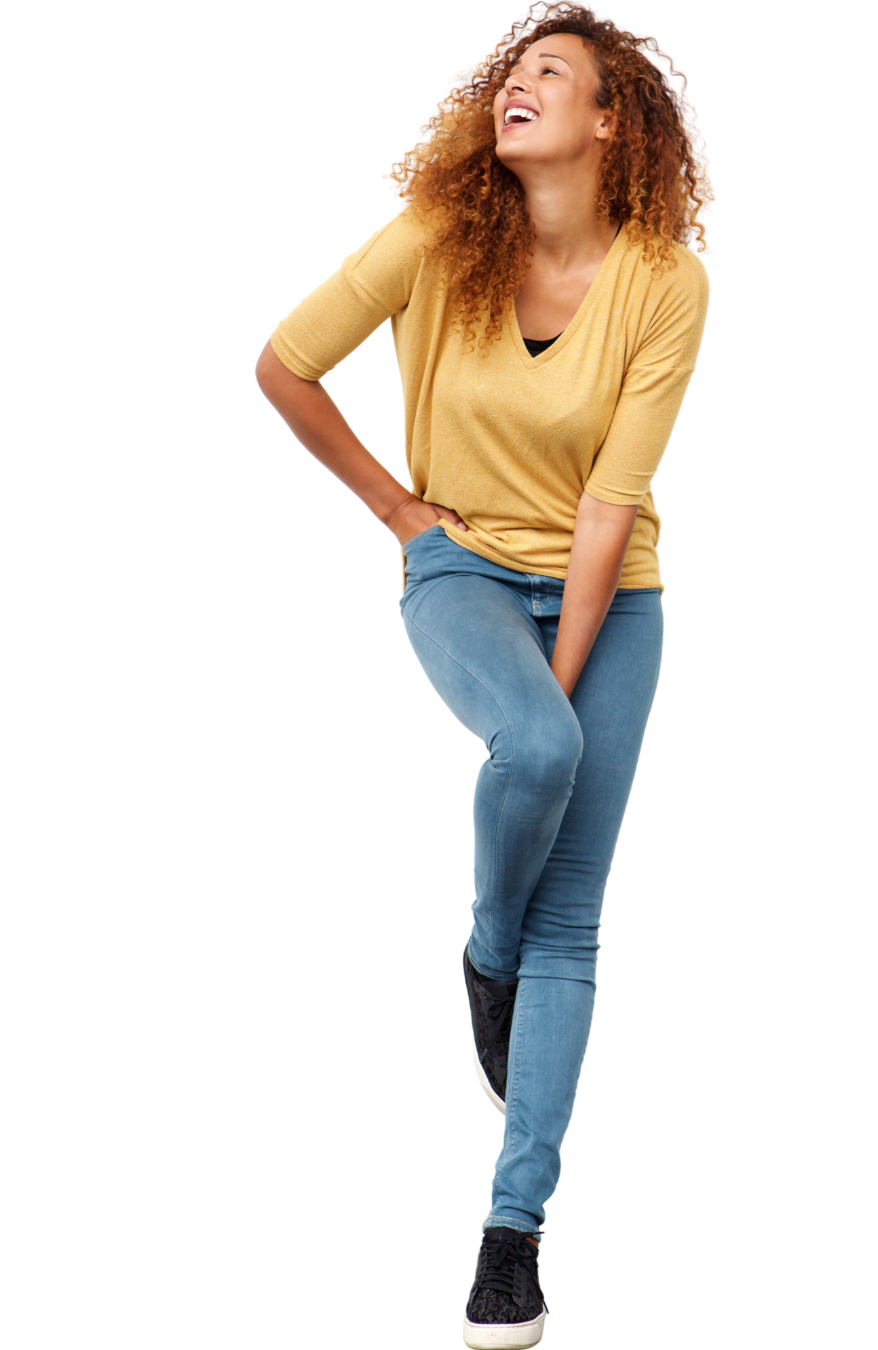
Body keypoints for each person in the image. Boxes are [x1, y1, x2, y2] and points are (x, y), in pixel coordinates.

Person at [253, 4, 721, 1346]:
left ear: (610, 120)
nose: (516, 91)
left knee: (579, 908)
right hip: (460, 568)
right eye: (509, 75)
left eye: (549, 76)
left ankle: (510, 1233)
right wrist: (398, 515)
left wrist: (566, 681)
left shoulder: (666, 273)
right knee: (537, 754)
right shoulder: (442, 238)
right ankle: (483, 962)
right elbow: (287, 363)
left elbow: (608, 511)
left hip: (612, 582)